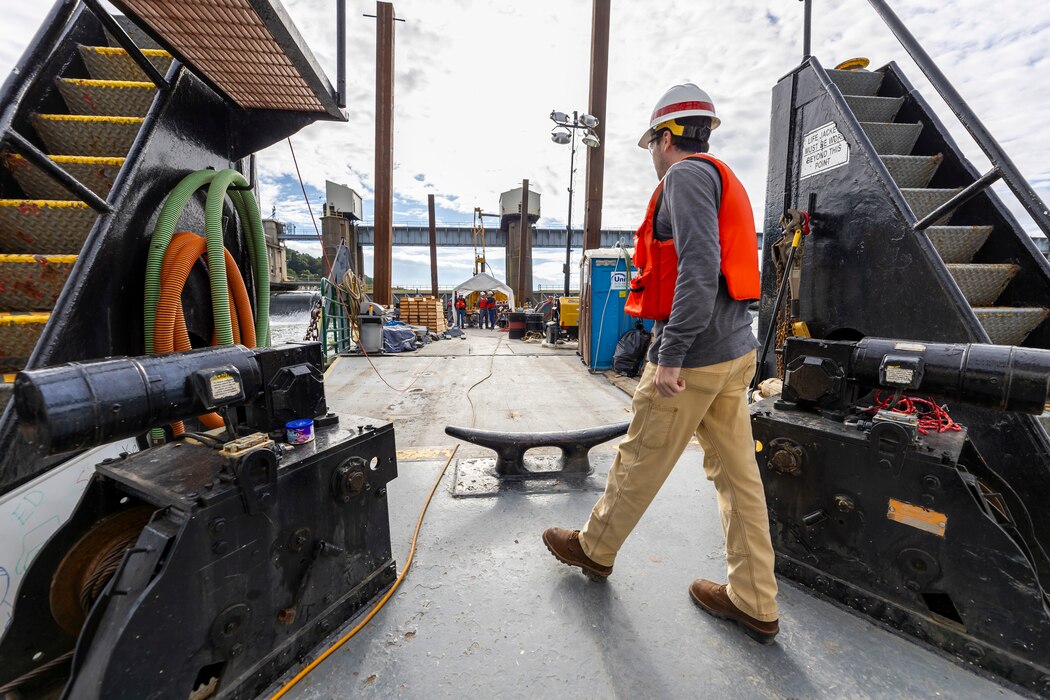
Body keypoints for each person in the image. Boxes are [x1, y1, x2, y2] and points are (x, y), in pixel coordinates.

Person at [542, 83, 778, 644]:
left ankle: (595, 549)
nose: (653, 155)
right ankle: (755, 600)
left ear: (668, 138)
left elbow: (698, 267)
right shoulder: (725, 178)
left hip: (692, 359)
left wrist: (670, 354)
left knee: (640, 457)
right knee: (739, 478)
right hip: (735, 351)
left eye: (652, 143)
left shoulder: (686, 177)